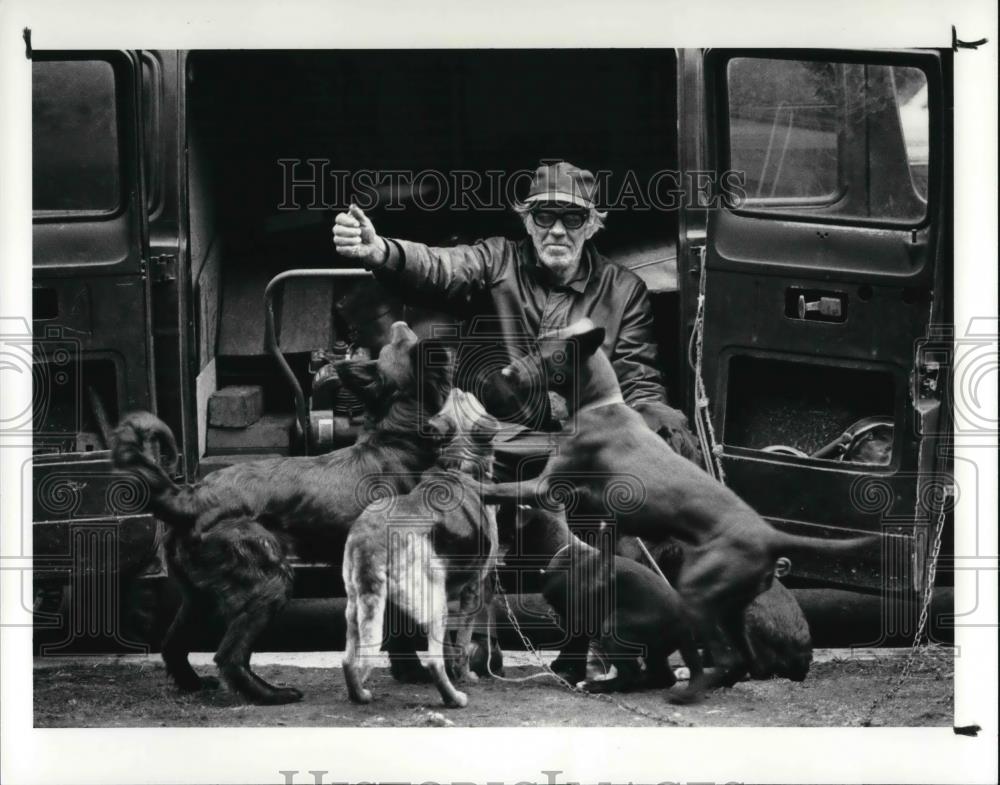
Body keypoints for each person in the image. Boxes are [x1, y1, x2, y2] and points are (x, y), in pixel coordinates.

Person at [332, 160, 700, 462]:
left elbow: (638, 377)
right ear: (527, 221)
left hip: (586, 444)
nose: (557, 230)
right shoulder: (496, 259)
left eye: (571, 218)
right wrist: (382, 251)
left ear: (591, 225)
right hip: (500, 439)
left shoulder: (624, 289)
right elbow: (441, 266)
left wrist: (657, 425)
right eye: (544, 216)